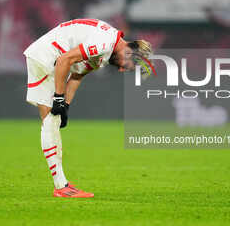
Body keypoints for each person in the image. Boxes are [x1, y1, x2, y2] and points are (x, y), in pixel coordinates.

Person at [23, 18, 156, 198]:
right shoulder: (104, 43)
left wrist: (66, 106)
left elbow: (77, 75)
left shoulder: (106, 51)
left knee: (51, 122)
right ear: (129, 53)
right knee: (50, 123)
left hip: (45, 56)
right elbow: (64, 60)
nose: (122, 70)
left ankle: (61, 185)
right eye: (128, 66)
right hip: (48, 57)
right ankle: (61, 187)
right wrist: (59, 98)